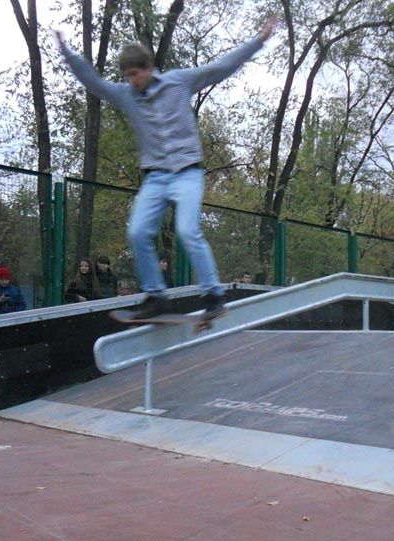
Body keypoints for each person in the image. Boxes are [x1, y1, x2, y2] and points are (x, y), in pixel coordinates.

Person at [55, 17, 277, 320]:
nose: (132, 80)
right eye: (128, 75)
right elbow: (94, 82)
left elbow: (220, 68)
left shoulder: (179, 81)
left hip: (187, 172)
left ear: (149, 68)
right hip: (156, 178)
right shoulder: (124, 95)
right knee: (137, 232)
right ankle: (157, 297)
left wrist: (257, 42)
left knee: (187, 230)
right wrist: (67, 51)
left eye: (136, 74)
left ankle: (213, 295)